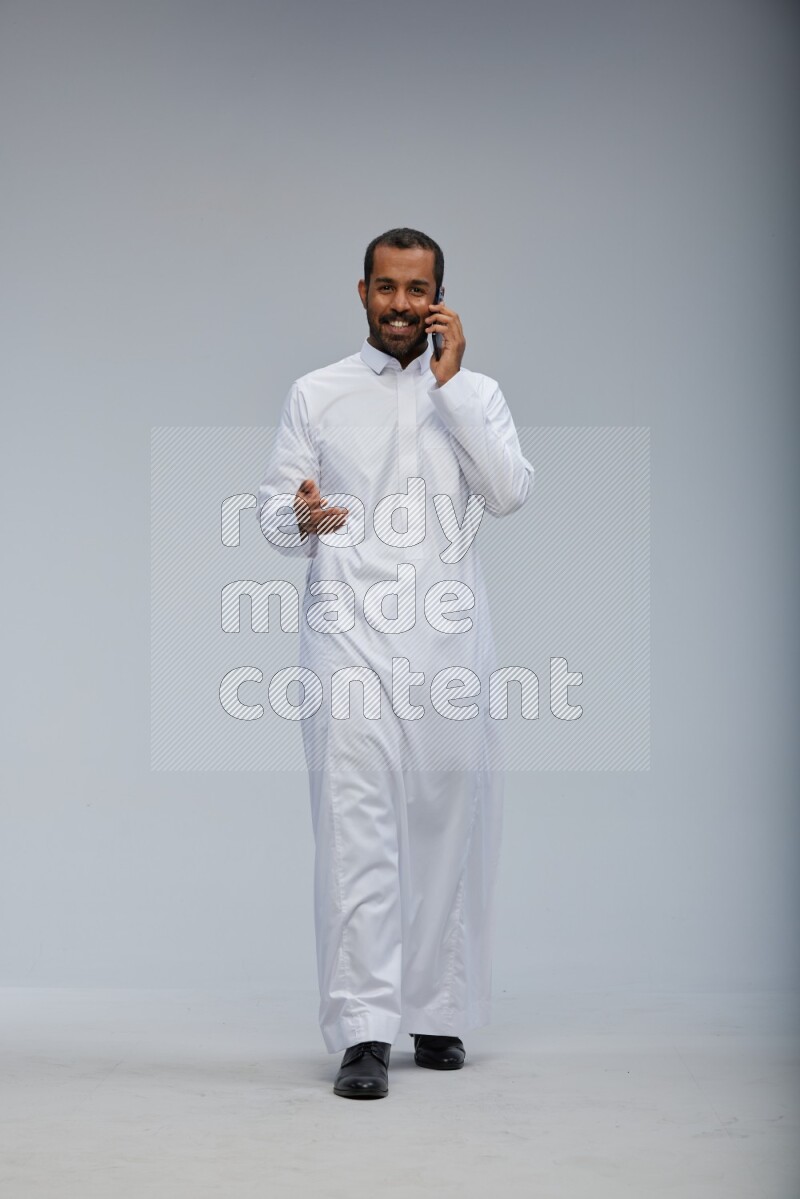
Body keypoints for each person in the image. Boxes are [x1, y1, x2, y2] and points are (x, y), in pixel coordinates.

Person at [257, 227, 534, 1098]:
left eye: (419, 290)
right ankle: (364, 1032)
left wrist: (451, 393)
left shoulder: (477, 394)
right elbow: (272, 513)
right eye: (388, 287)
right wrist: (303, 517)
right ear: (363, 292)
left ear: (441, 299)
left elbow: (508, 491)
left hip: (449, 644)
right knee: (355, 831)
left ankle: (438, 1009)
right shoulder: (318, 393)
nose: (402, 305)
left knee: (448, 823)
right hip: (347, 640)